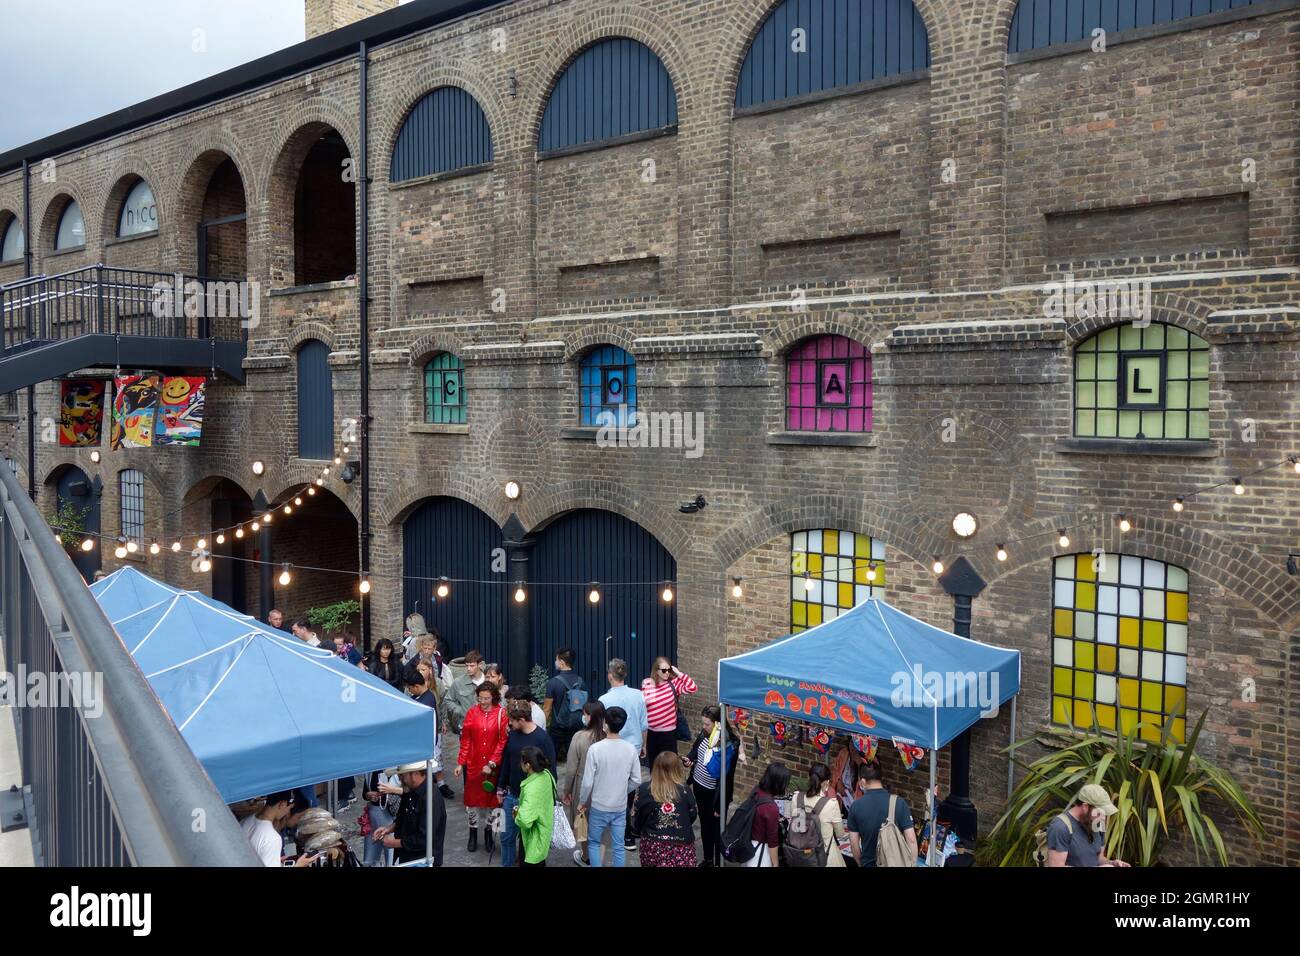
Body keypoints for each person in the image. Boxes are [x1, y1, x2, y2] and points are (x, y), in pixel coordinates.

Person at [577, 705, 641, 868]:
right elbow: (636, 779)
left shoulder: (595, 749)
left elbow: (587, 782)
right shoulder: (630, 749)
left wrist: (582, 801)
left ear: (605, 723)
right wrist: (622, 790)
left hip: (599, 805)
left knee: (594, 843)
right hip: (619, 806)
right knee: (619, 847)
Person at [496, 700, 556, 867]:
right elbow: (506, 762)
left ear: (521, 719)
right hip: (510, 795)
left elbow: (551, 772)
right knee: (505, 837)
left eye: (512, 720)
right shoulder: (513, 734)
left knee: (528, 843)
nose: (509, 723)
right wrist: (500, 787)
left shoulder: (542, 738)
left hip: (531, 801)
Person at [598, 658, 648, 852]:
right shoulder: (639, 695)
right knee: (629, 789)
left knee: (612, 785)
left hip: (612, 746)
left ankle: (622, 830)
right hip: (633, 747)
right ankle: (628, 833)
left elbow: (603, 728)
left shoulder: (604, 700)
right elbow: (644, 724)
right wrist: (645, 745)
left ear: (610, 675)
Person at [685, 705, 743, 867]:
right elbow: (695, 750)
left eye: (707, 724)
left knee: (717, 829)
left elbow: (727, 777)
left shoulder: (730, 743)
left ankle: (719, 862)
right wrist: (690, 758)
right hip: (699, 786)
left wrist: (720, 804)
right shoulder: (705, 733)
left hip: (715, 794)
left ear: (718, 723)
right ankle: (708, 859)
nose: (703, 728)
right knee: (704, 824)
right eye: (703, 724)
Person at [456, 680, 508, 854]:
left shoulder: (502, 713)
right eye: (480, 698)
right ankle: (472, 833)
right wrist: (460, 762)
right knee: (473, 801)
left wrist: (492, 762)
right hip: (474, 765)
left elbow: (502, 742)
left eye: (486, 698)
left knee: (494, 801)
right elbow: (466, 740)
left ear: (493, 697)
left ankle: (489, 833)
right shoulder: (472, 712)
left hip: (494, 767)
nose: (483, 702)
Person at [846, 761, 917, 868]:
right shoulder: (899, 802)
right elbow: (911, 839)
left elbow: (854, 844)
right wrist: (912, 863)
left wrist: (861, 863)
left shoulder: (855, 806)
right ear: (880, 779)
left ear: (863, 782)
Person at [633, 751, 698, 868]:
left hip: (652, 845)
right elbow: (692, 814)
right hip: (681, 845)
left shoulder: (644, 789)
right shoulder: (685, 790)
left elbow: (637, 817)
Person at [374, 760, 444, 866]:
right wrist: (389, 828)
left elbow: (423, 839)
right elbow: (404, 817)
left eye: (402, 775)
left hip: (421, 861)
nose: (400, 778)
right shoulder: (411, 790)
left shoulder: (431, 799)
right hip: (407, 857)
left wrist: (394, 843)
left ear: (415, 774)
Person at [1046, 783, 1129, 868]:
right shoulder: (1060, 827)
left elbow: (1098, 858)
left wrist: (1112, 863)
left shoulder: (1098, 823)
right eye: (1099, 812)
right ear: (1085, 806)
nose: (1103, 818)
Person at [562, 700, 605, 866]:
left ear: (590, 717)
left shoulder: (579, 737)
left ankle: (586, 856)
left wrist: (566, 791)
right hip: (604, 786)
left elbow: (571, 769)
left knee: (582, 823)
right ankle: (597, 857)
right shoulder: (609, 737)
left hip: (583, 785)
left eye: (585, 714)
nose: (583, 716)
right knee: (599, 824)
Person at [640, 656, 697, 767]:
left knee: (669, 766)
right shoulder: (646, 683)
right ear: (656, 671)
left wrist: (679, 673)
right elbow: (642, 706)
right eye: (664, 670)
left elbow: (692, 688)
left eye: (669, 670)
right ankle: (655, 784)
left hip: (668, 733)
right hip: (652, 733)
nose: (667, 673)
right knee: (654, 764)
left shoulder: (674, 684)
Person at [240, 791, 316, 867]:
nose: (287, 812)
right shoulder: (272, 837)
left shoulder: (245, 821)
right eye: (289, 808)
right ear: (282, 804)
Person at [793, 762, 847, 868]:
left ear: (809, 778)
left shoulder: (796, 798)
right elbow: (840, 834)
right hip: (826, 857)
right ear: (827, 782)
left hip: (801, 855)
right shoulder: (831, 803)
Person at [514, 745, 557, 867]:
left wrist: (517, 814)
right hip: (544, 830)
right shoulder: (546, 774)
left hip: (532, 838)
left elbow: (525, 821)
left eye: (522, 761)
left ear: (528, 765)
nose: (520, 764)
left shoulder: (531, 788)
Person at [543, 648, 587, 760]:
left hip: (557, 729)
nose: (555, 662)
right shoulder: (581, 681)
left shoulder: (553, 682)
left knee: (550, 760)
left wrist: (542, 728)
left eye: (556, 660)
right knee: (576, 761)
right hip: (576, 728)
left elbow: (547, 709)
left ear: (562, 662)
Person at [746, 762, 790, 868]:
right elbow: (772, 841)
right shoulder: (771, 808)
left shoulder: (756, 790)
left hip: (747, 847)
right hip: (760, 853)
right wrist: (775, 863)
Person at [362, 768, 403, 866]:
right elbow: (365, 792)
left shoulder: (400, 765)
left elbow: (411, 791)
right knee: (371, 854)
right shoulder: (372, 767)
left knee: (392, 855)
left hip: (395, 814)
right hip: (376, 813)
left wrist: (392, 790)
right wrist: (368, 795)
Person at [445, 650, 487, 733]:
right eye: (467, 666)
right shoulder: (459, 682)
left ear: (480, 665)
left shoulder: (488, 681)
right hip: (465, 726)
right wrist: (458, 710)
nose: (468, 669)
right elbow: (448, 700)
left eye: (472, 666)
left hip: (486, 726)